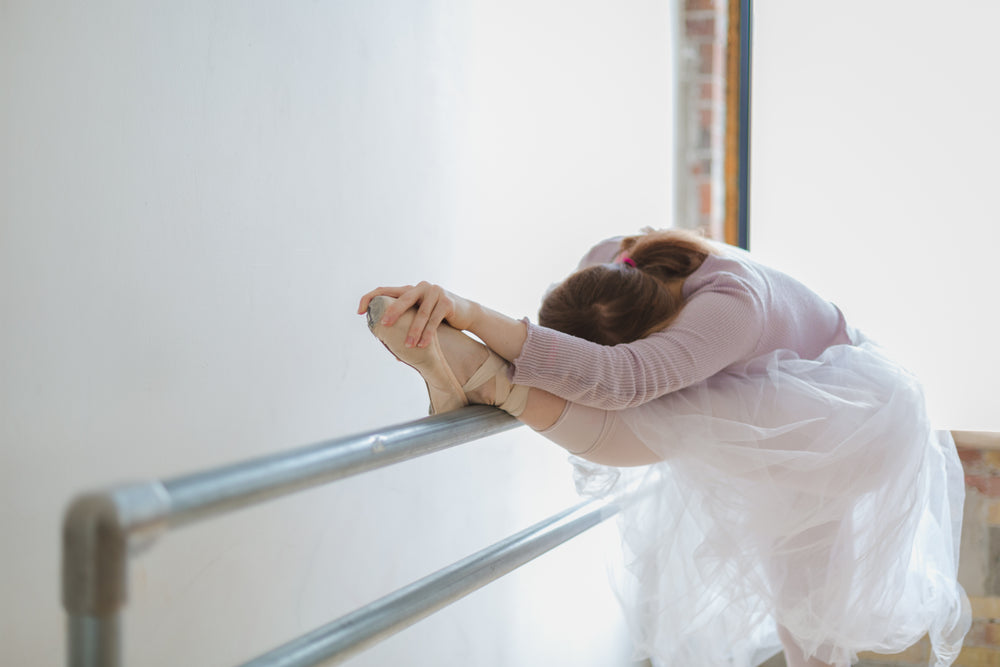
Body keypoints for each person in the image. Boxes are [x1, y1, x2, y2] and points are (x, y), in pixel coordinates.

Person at [357, 229, 970, 667]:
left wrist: (466, 311)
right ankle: (488, 377)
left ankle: (490, 379)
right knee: (806, 622)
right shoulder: (611, 265)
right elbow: (585, 358)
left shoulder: (730, 306)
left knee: (662, 412)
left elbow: (621, 380)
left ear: (661, 328)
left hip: (848, 420)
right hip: (783, 405)